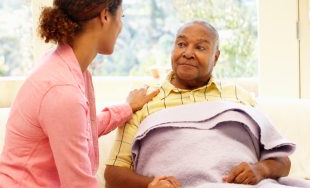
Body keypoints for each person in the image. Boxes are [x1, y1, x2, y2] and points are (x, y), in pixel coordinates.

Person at [104, 21, 291, 188]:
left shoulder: (238, 96)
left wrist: (260, 169)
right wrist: (152, 185)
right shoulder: (144, 101)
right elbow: (113, 175)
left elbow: (282, 161)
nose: (187, 53)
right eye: (181, 44)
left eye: (200, 48)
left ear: (216, 58)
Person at [0, 0, 159, 187]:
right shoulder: (62, 90)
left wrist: (127, 108)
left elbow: (80, 130)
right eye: (122, 16)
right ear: (105, 16)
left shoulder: (66, 66)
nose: (121, 26)